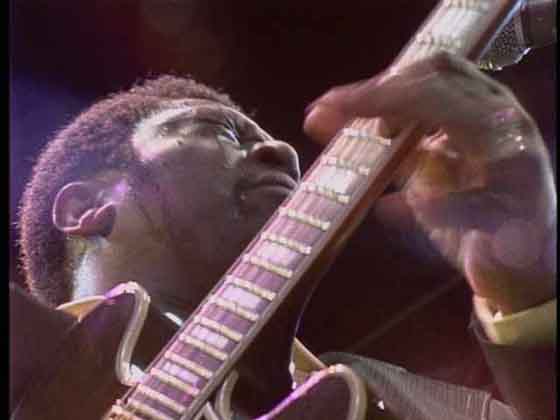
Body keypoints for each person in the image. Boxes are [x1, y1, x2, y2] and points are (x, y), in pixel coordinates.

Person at [12, 53, 555, 420]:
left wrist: (526, 292)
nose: (285, 152)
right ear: (84, 209)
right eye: (221, 131)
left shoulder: (432, 409)